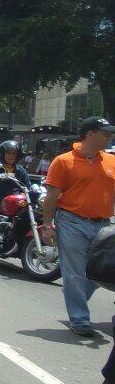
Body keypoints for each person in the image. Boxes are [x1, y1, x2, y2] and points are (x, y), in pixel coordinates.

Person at [41, 116, 115, 338]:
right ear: (90, 134)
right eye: (106, 133)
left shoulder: (111, 162)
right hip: (72, 221)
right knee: (74, 272)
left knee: (103, 272)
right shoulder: (63, 161)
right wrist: (47, 225)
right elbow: (51, 196)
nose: (110, 136)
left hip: (103, 225)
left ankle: (75, 291)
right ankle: (80, 319)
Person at [0, 140, 33, 261]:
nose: (11, 156)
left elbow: (27, 186)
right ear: (3, 154)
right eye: (8, 153)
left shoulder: (20, 170)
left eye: (13, 154)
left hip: (13, 202)